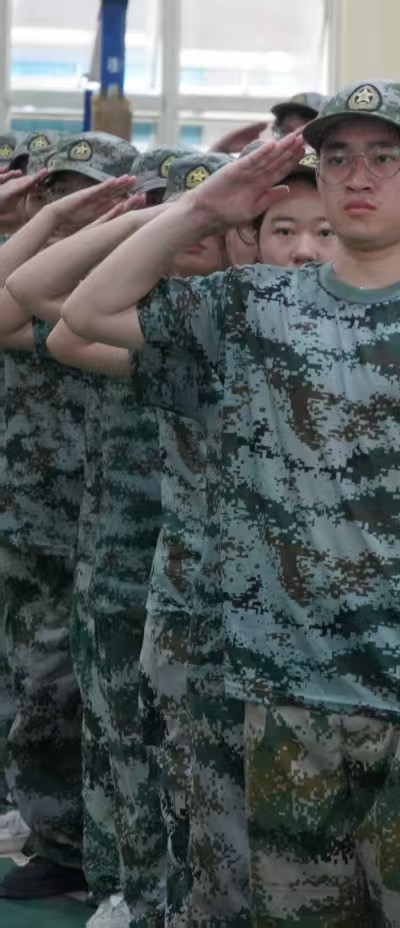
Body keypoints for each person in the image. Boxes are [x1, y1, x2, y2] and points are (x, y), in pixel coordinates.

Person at [65, 84, 400, 926]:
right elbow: (88, 310)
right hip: (286, 685)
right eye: (337, 158)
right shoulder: (255, 305)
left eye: (384, 157)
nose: (357, 176)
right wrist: (201, 209)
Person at [9, 149, 231, 928]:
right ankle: (122, 880)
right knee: (116, 729)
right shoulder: (133, 314)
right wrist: (154, 218)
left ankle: (169, 893)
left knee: (191, 750)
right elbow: (26, 299)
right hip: (119, 552)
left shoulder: (250, 321)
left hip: (214, 575)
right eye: (176, 210)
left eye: (208, 215)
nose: (193, 231)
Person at [0, 134, 141, 904]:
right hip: (35, 516)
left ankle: (99, 852)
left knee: (100, 698)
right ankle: (58, 836)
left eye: (95, 192)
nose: (71, 207)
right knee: (41, 682)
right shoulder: (35, 276)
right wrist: (42, 221)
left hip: (113, 526)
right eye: (58, 191)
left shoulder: (132, 292)